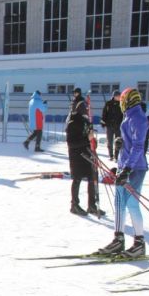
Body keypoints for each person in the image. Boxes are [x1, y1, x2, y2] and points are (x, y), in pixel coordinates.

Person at [97, 88, 149, 258]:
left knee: (132, 204)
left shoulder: (138, 118)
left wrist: (127, 169)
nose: (120, 103)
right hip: (124, 165)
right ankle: (118, 239)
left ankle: (139, 243)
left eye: (122, 100)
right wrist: (121, 144)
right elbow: (131, 142)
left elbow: (138, 146)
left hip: (135, 168)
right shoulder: (129, 116)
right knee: (119, 202)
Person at [65, 87, 99, 216]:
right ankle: (74, 204)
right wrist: (87, 140)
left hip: (86, 152)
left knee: (92, 177)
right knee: (77, 179)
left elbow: (87, 136)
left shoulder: (85, 121)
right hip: (76, 155)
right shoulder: (72, 122)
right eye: (83, 107)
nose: (85, 109)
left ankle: (92, 205)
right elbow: (71, 143)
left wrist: (92, 141)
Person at [100, 90, 123, 159]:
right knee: (109, 141)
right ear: (114, 96)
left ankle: (116, 156)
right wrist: (103, 122)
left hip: (118, 125)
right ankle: (111, 155)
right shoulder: (108, 104)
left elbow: (123, 115)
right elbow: (104, 113)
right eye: (117, 96)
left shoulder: (121, 104)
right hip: (109, 125)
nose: (119, 97)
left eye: (119, 96)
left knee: (118, 141)